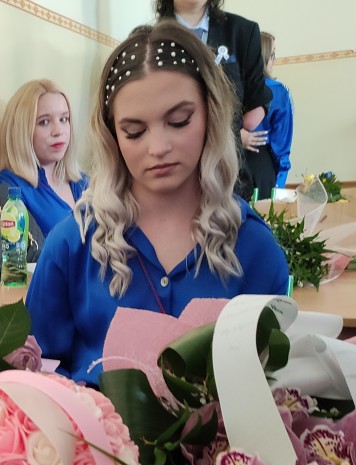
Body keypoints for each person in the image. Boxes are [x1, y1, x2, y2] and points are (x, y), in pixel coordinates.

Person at [26, 21, 289, 386]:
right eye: (134, 132)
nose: (158, 148)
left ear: (211, 113)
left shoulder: (254, 247)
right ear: (113, 135)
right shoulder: (73, 244)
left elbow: (270, 384)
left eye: (179, 121)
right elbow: (36, 371)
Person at [156, 0, 271, 200]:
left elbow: (257, 97)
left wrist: (234, 133)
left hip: (228, 174)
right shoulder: (150, 38)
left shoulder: (242, 32)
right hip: (172, 172)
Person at [0, 79, 89, 237]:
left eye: (64, 119)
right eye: (44, 122)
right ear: (22, 130)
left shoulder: (82, 182)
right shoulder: (8, 188)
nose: (58, 131)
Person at [244, 31, 293, 195]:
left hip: (227, 166)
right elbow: (281, 147)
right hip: (261, 167)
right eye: (273, 55)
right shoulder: (278, 91)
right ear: (264, 57)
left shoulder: (231, 86)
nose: (274, 60)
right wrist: (279, 187)